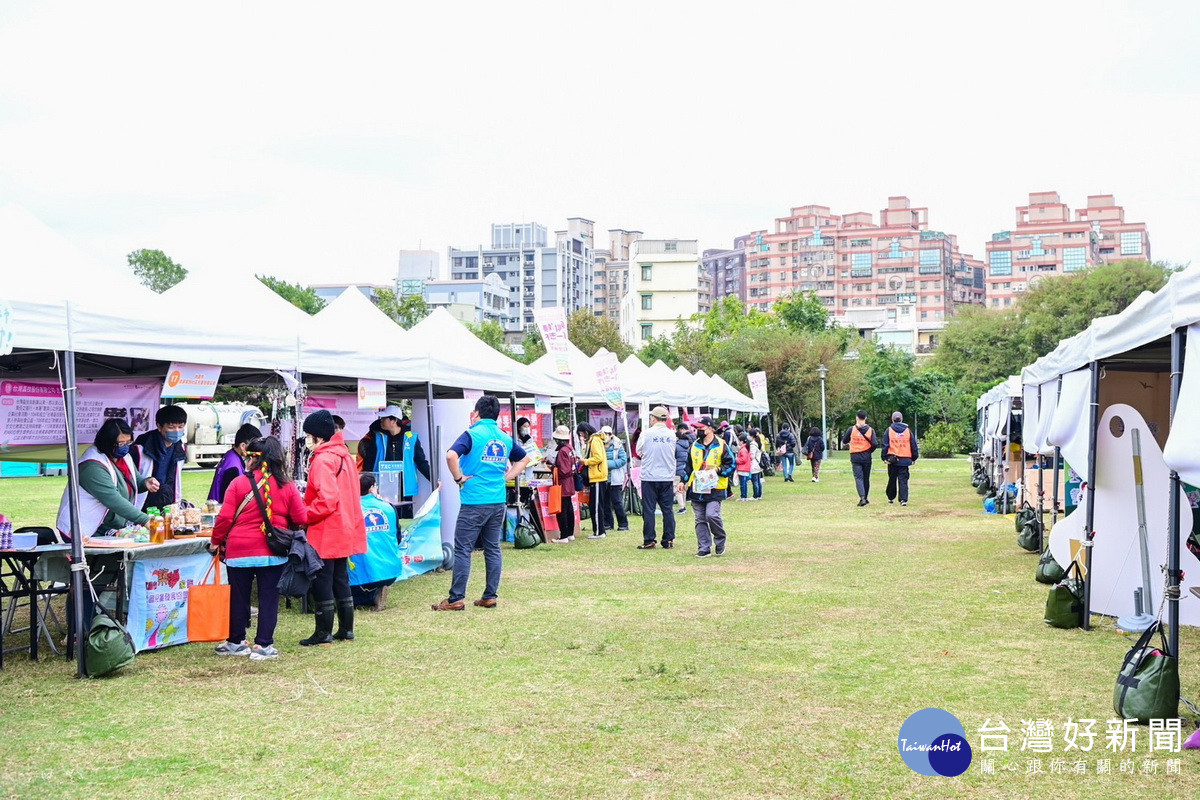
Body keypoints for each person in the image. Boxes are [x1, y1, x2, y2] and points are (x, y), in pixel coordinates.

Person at [210, 436, 307, 661]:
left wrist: (216, 540)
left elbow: (224, 517)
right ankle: (263, 645)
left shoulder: (239, 484)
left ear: (251, 458)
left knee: (238, 596)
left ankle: (236, 641)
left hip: (239, 549)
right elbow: (301, 517)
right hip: (273, 550)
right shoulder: (287, 485)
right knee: (269, 597)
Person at [432, 395, 529, 610]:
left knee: (463, 549)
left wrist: (458, 478)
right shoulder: (504, 437)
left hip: (474, 501)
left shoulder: (472, 434)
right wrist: (506, 477)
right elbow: (524, 459)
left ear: (477, 413)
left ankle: (456, 598)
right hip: (497, 501)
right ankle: (490, 596)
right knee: (493, 548)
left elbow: (450, 456)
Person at [300, 409, 367, 646]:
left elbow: (326, 500)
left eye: (309, 435)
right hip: (346, 525)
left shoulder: (323, 460)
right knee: (340, 577)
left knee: (322, 579)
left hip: (327, 528)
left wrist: (305, 514)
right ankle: (346, 629)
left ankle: (323, 632)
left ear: (318, 436)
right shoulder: (344, 455)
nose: (307, 439)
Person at [56, 418, 158, 540]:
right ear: (107, 442)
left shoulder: (123, 457)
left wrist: (145, 482)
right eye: (121, 444)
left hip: (107, 527)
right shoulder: (91, 466)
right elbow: (113, 499)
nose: (125, 447)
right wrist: (145, 520)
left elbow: (134, 480)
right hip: (83, 528)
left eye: (128, 443)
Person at [356, 406, 431, 519]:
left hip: (405, 488)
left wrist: (434, 479)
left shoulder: (411, 438)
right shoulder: (377, 438)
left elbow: (421, 462)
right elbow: (369, 463)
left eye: (384, 418)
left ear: (394, 420)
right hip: (382, 487)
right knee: (385, 517)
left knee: (405, 519)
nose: (380, 420)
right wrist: (367, 484)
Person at [683, 416, 734, 558]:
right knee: (700, 519)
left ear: (711, 428)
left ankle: (720, 540)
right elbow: (688, 466)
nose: (698, 431)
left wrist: (718, 470)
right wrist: (683, 481)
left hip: (715, 488)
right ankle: (704, 547)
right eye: (696, 428)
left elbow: (731, 465)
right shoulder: (694, 446)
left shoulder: (722, 445)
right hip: (697, 488)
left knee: (711, 515)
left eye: (701, 428)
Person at [352, 472, 402, 611]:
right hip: (389, 570)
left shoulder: (350, 508)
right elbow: (398, 538)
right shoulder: (389, 507)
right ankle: (376, 592)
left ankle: (368, 596)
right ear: (372, 488)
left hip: (359, 572)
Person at [636, 406, 678, 550]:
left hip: (649, 476)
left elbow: (638, 450)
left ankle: (649, 539)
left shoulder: (646, 434)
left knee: (649, 509)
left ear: (653, 418)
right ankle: (668, 540)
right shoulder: (672, 435)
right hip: (667, 476)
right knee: (668, 509)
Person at [134, 404, 188, 510]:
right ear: (159, 427)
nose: (176, 431)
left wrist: (176, 502)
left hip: (167, 500)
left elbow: (176, 478)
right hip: (143, 501)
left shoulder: (180, 447)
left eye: (180, 427)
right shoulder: (141, 448)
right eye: (171, 427)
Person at [207, 423, 262, 504]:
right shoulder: (233, 467)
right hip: (219, 510)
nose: (255, 450)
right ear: (243, 446)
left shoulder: (230, 455)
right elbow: (229, 499)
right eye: (253, 446)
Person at [577, 422, 609, 539]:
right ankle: (599, 530)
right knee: (595, 505)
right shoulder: (594, 440)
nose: (582, 436)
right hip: (597, 477)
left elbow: (598, 458)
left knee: (596, 506)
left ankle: (599, 532)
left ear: (586, 431)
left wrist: (584, 461)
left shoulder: (594, 440)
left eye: (581, 433)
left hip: (597, 477)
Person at [881, 411, 920, 506]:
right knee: (903, 480)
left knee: (892, 479)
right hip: (905, 460)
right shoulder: (908, 431)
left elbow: (885, 445)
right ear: (901, 419)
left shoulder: (889, 430)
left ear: (892, 419)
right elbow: (913, 445)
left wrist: (884, 457)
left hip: (893, 460)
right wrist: (914, 458)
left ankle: (891, 497)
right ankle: (903, 499)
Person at [548, 425, 578, 544]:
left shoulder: (563, 451)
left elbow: (563, 470)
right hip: (570, 482)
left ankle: (564, 536)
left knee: (562, 510)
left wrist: (553, 467)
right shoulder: (570, 449)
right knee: (569, 507)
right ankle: (570, 534)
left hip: (563, 484)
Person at [842, 411, 877, 507]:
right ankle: (866, 497)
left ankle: (862, 498)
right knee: (866, 478)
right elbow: (875, 444)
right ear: (865, 418)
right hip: (866, 457)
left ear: (856, 417)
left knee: (858, 478)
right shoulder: (871, 430)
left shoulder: (851, 429)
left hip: (855, 457)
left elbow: (844, 440)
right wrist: (869, 451)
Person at [602, 425, 629, 531]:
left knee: (617, 501)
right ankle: (608, 523)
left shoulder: (618, 445)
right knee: (605, 502)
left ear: (611, 435)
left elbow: (623, 460)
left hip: (615, 478)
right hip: (603, 477)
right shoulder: (599, 444)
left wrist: (608, 464)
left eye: (607, 434)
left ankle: (623, 524)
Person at [674, 422, 693, 514]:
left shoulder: (676, 446)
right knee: (684, 488)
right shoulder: (689, 445)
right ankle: (683, 505)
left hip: (678, 469)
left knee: (678, 489)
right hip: (687, 468)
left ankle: (682, 507)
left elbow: (673, 457)